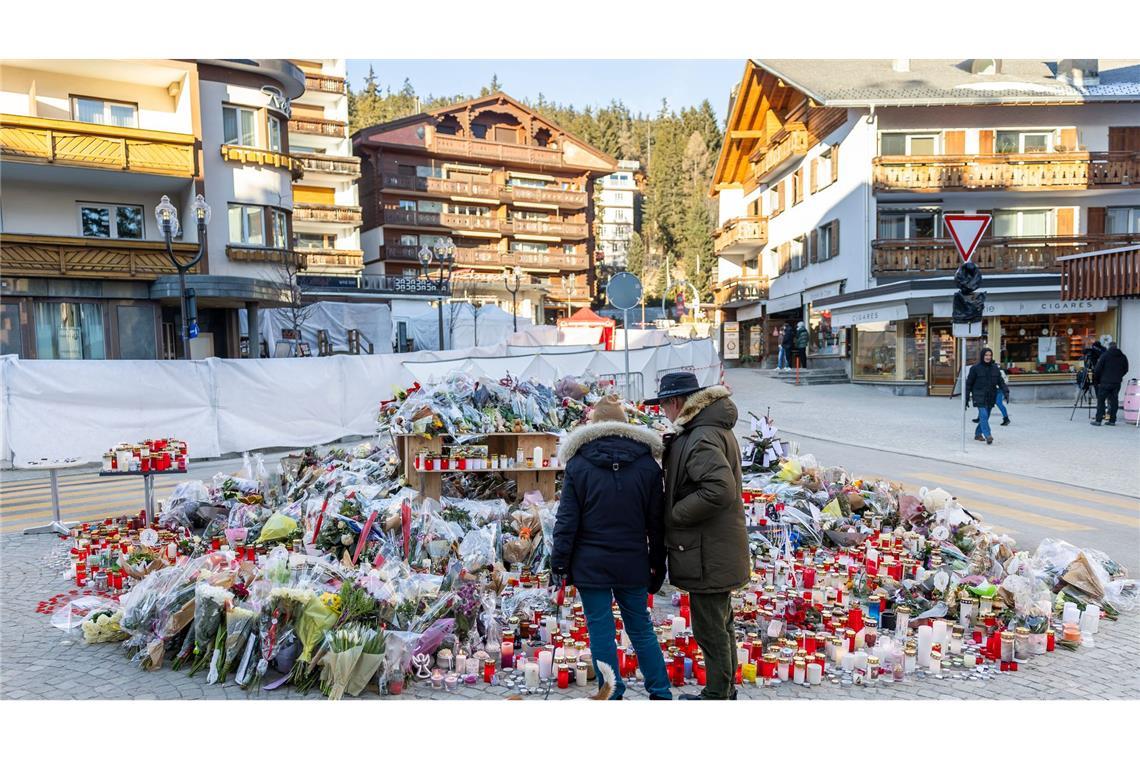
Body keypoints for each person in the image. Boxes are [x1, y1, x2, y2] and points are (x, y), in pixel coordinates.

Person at [551, 395, 672, 700]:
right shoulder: (647, 464)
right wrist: (658, 563)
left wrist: (559, 564)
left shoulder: (579, 463)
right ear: (625, 425)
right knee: (641, 629)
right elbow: (657, 523)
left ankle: (612, 693)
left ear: (593, 426)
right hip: (633, 561)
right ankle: (660, 692)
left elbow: (567, 520)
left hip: (591, 563)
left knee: (601, 631)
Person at [648, 372, 750, 700]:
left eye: (664, 405)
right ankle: (725, 690)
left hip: (709, 550)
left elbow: (719, 489)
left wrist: (676, 514)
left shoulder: (701, 436)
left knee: (710, 628)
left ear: (675, 403)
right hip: (713, 546)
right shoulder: (703, 430)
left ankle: (717, 696)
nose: (664, 412)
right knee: (720, 623)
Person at [965, 346, 1009, 445]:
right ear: (982, 356)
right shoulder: (975, 368)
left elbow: (1001, 382)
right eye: (986, 355)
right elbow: (969, 384)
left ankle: (977, 433)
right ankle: (988, 435)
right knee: (983, 415)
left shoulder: (995, 368)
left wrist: (1006, 392)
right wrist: (967, 397)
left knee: (986, 416)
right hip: (979, 395)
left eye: (990, 355)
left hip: (991, 396)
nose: (988, 357)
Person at [1091, 340, 1129, 426]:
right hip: (1116, 382)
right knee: (1114, 401)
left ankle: (1098, 420)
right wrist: (1119, 376)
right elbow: (1126, 369)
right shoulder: (1123, 356)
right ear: (1116, 347)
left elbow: (1097, 369)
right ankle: (1112, 420)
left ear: (1109, 347)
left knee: (1101, 401)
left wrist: (1097, 379)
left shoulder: (1105, 356)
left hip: (1105, 382)